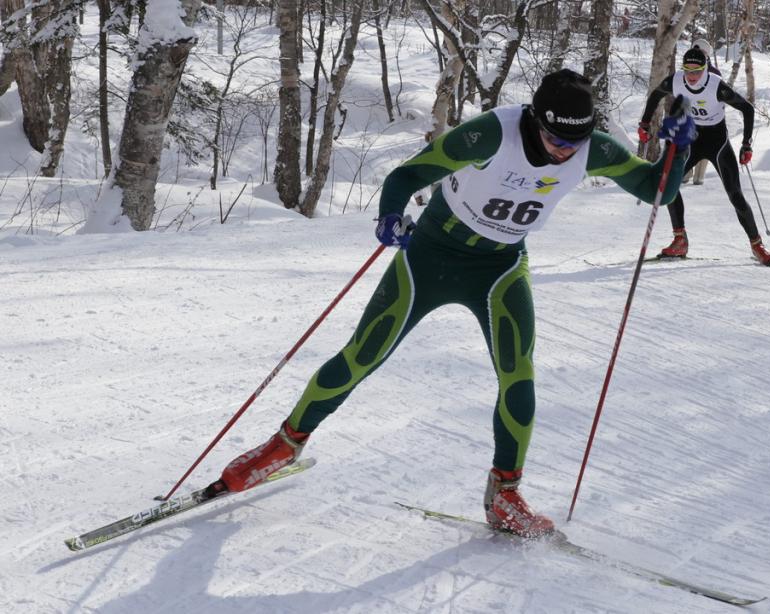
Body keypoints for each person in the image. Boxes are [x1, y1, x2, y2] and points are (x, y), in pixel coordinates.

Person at [205, 69, 695, 538]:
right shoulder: (491, 135)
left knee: (519, 376)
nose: (566, 153)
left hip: (500, 267)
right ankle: (283, 446)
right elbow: (407, 175)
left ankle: (505, 494)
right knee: (362, 356)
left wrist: (679, 146)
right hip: (432, 255)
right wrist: (390, 216)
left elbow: (656, 189)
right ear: (535, 120)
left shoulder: (591, 149)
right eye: (556, 140)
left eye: (575, 143)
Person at [637, 47, 770, 265]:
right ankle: (680, 239)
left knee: (735, 194)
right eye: (688, 71)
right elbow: (655, 95)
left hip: (717, 142)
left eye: (697, 71)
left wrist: (747, 144)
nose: (691, 77)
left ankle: (757, 244)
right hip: (692, 139)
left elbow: (747, 109)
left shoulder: (716, 86)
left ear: (705, 69)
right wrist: (644, 123)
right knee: (670, 185)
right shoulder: (677, 80)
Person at [685, 39, 719, 186]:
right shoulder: (686, 69)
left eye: (702, 52)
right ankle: (685, 173)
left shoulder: (714, 73)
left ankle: (699, 176)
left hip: (708, 115)